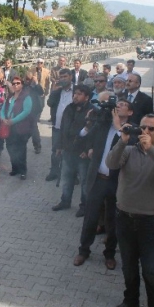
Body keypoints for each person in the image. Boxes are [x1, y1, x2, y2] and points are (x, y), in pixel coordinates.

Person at [107, 114, 154, 307]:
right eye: (142, 127)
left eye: (151, 129)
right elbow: (111, 163)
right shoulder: (128, 151)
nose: (145, 132)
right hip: (125, 217)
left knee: (151, 269)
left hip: (150, 221)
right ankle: (131, 301)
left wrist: (150, 149)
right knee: (128, 265)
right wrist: (123, 140)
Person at [74, 96, 136, 270]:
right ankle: (83, 250)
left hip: (117, 182)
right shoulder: (103, 124)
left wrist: (118, 127)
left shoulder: (131, 129)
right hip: (98, 179)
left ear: (130, 112)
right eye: (118, 104)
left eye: (123, 104)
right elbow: (83, 140)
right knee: (90, 217)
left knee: (113, 220)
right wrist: (90, 123)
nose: (119, 106)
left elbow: (130, 146)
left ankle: (109, 254)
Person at [51, 84, 94, 216]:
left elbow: (92, 133)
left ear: (86, 97)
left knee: (84, 182)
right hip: (68, 150)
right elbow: (63, 128)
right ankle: (65, 201)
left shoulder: (92, 111)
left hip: (82, 153)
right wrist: (59, 146)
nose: (75, 96)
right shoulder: (69, 108)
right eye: (75, 93)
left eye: (79, 94)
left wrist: (87, 149)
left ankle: (85, 206)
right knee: (66, 178)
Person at [0, 76, 33, 180]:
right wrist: (4, 119)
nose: (15, 85)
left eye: (18, 83)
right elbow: (2, 109)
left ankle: (23, 171)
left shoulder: (26, 97)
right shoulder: (10, 97)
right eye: (13, 83)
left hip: (20, 128)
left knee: (21, 150)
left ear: (22, 84)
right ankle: (15, 168)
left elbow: (26, 112)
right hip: (8, 127)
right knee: (10, 148)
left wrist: (13, 121)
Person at [46, 68, 73, 182]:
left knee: (70, 151)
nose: (62, 79)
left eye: (65, 77)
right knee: (55, 150)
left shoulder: (76, 90)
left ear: (70, 77)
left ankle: (71, 174)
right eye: (61, 77)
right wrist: (54, 90)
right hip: (57, 126)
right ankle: (54, 172)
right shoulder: (58, 91)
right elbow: (50, 103)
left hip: (71, 128)